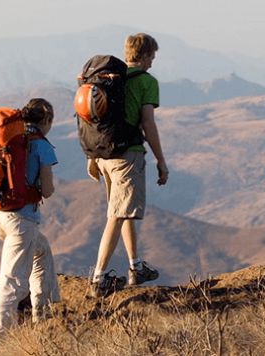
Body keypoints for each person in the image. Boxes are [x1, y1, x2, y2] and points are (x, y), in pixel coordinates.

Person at [87, 33, 168, 297]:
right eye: (152, 57)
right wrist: (160, 160)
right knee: (118, 215)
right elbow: (148, 123)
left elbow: (96, 118)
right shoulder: (146, 82)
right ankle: (98, 278)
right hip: (127, 156)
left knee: (123, 211)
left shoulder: (109, 80)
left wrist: (92, 157)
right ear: (143, 56)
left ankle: (135, 267)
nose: (153, 63)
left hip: (103, 155)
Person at [0, 98, 60, 349]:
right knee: (11, 282)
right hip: (20, 220)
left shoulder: (9, 139)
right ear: (46, 120)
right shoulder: (40, 145)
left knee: (42, 250)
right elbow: (47, 190)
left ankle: (44, 314)